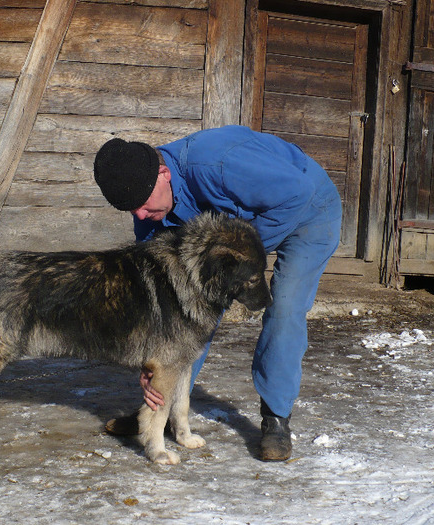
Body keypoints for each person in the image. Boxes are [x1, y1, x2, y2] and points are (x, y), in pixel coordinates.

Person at [93, 125, 342, 461]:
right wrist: (151, 357)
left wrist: (238, 259)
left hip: (306, 209)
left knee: (284, 308)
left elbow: (297, 194)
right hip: (236, 230)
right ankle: (163, 411)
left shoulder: (217, 165)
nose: (140, 215)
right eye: (131, 210)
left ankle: (276, 419)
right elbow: (161, 300)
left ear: (164, 174)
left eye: (143, 206)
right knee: (188, 308)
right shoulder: (149, 200)